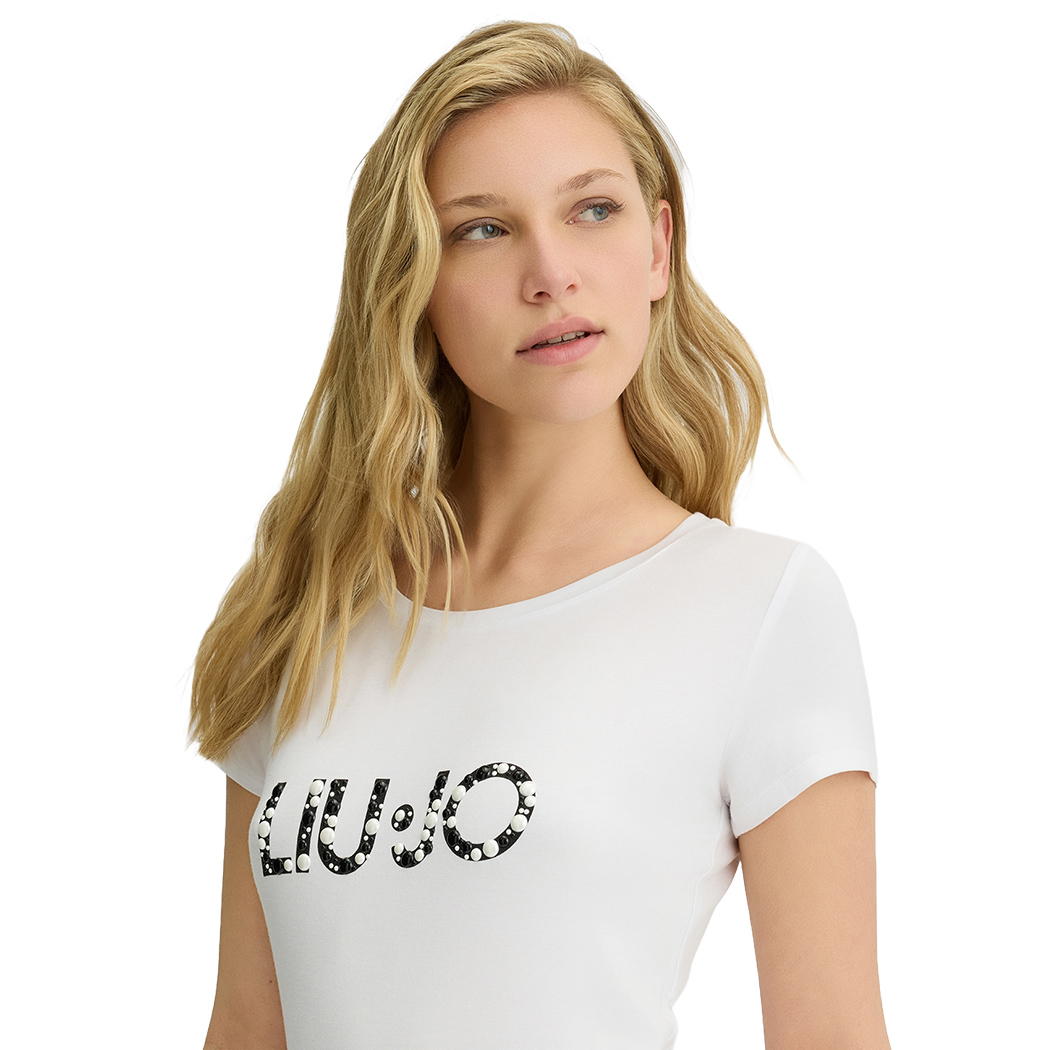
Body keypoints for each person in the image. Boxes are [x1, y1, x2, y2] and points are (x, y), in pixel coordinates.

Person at [192, 21, 890, 1050]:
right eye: (483, 229)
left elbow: (833, 1034)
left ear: (658, 248)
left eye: (592, 210)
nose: (551, 272)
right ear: (415, 282)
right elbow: (245, 1028)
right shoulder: (311, 603)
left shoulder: (759, 608)